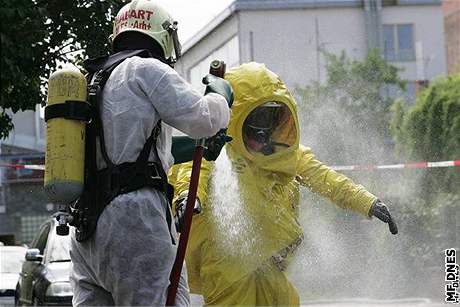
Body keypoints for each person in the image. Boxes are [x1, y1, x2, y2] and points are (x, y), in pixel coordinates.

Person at [172, 62, 398, 306]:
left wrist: (368, 202)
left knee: (285, 301)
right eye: (256, 125)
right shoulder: (218, 152)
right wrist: (187, 198)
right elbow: (192, 170)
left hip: (268, 260)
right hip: (226, 261)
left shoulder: (287, 154)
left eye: (272, 122)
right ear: (234, 121)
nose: (264, 136)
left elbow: (325, 178)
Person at [69, 1, 232, 306]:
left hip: (86, 230)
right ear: (164, 36)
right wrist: (220, 93)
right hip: (134, 223)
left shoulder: (92, 81)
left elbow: (130, 152)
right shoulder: (145, 69)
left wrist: (196, 150)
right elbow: (205, 120)